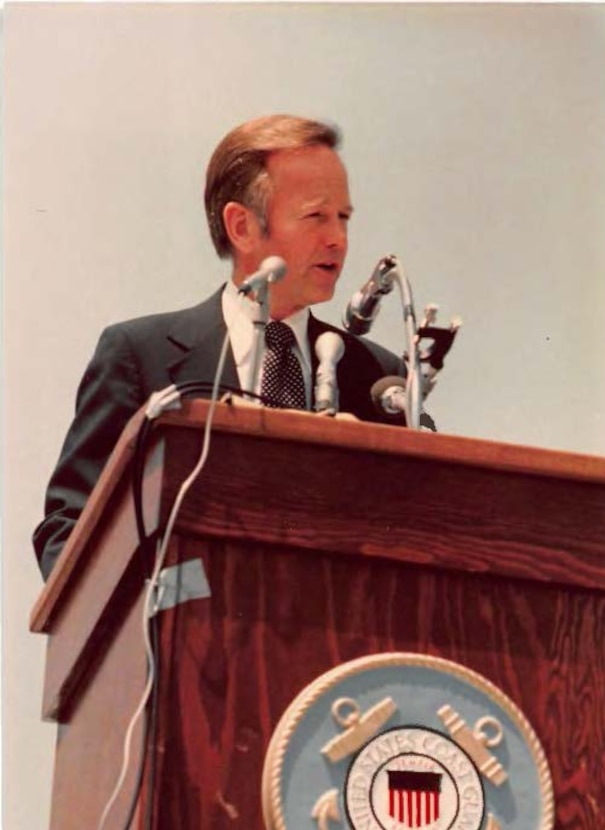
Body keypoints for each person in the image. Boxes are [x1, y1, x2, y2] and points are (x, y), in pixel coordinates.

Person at [33, 114, 408, 580]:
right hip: (184, 641)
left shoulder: (378, 379)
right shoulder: (140, 356)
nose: (338, 238)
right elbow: (68, 532)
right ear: (242, 226)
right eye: (316, 216)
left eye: (343, 218)